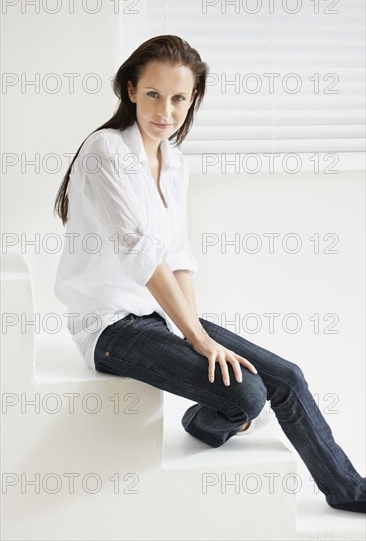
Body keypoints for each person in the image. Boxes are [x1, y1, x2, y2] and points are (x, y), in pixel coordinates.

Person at [53, 35, 365, 514]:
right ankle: (207, 421)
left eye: (179, 98)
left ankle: (349, 491)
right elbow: (142, 254)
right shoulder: (105, 151)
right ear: (131, 89)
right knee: (247, 393)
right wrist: (197, 338)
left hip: (157, 313)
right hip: (110, 327)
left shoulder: (174, 163)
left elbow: (177, 257)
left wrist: (193, 328)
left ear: (192, 98)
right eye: (154, 94)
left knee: (288, 378)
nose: (166, 110)